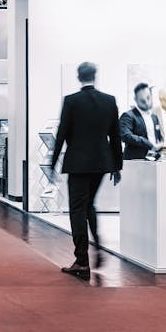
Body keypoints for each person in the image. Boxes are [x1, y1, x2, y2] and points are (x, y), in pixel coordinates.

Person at [50, 62, 122, 278]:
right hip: (101, 163)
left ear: (79, 77)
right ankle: (98, 247)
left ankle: (82, 260)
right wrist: (117, 166)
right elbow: (115, 137)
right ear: (95, 76)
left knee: (77, 210)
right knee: (89, 205)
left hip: (78, 163)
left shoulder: (72, 101)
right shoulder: (109, 101)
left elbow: (61, 133)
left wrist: (52, 163)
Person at [119, 83, 163, 161]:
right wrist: (148, 143)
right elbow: (125, 135)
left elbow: (157, 138)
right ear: (135, 99)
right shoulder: (128, 116)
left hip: (153, 161)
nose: (147, 103)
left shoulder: (154, 117)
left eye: (148, 98)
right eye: (142, 101)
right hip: (135, 162)